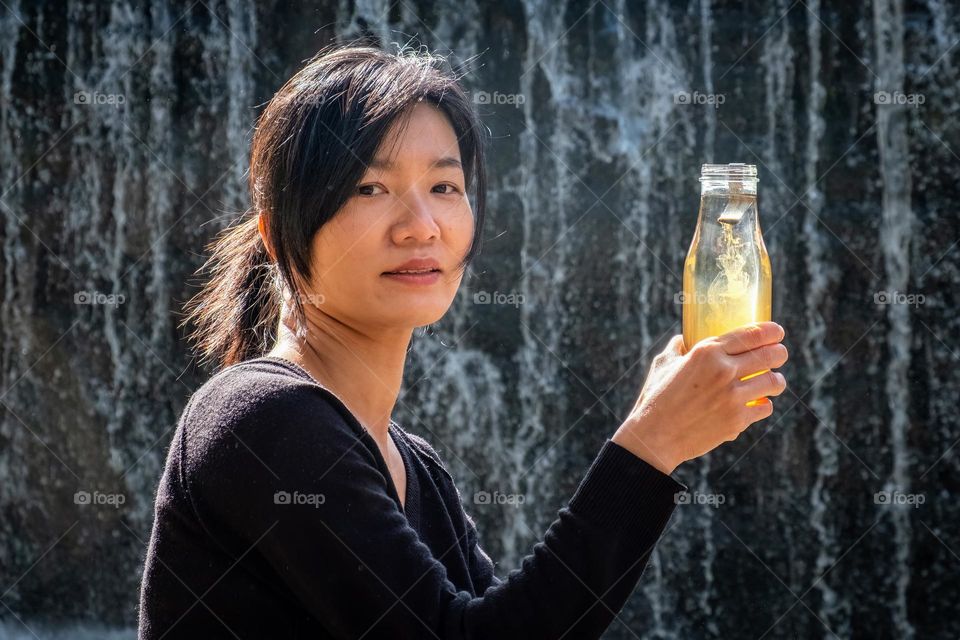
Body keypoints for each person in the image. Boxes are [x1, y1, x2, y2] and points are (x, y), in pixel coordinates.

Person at [137, 42, 789, 639]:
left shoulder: (415, 467)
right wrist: (649, 447)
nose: (421, 226)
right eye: (371, 188)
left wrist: (657, 448)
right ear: (280, 235)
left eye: (445, 186)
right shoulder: (263, 418)